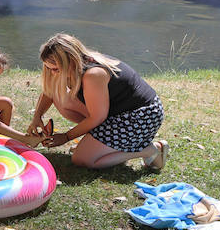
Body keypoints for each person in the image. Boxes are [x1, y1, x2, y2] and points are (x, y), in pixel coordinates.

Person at [26, 33, 168, 170]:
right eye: (49, 68)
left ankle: (149, 150)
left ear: (71, 60)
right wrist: (37, 117)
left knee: (82, 159)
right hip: (115, 111)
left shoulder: (93, 74)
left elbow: (97, 117)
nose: (52, 73)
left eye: (56, 69)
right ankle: (101, 145)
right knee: (61, 98)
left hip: (141, 116)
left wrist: (66, 136)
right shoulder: (77, 63)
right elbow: (50, 90)